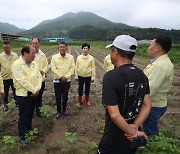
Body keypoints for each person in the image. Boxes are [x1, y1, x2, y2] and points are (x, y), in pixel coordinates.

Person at [98, 35, 152, 154]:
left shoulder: (110, 77)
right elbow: (147, 104)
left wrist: (133, 132)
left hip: (114, 137)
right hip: (131, 139)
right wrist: (135, 126)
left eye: (111, 50)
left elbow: (115, 116)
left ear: (115, 52)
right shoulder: (142, 75)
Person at [143, 36, 174, 137]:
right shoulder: (160, 62)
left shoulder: (160, 66)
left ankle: (153, 148)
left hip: (153, 105)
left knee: (150, 131)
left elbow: (151, 89)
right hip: (155, 103)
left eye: (150, 46)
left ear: (157, 48)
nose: (148, 48)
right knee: (149, 128)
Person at [11, 45, 42, 145]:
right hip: (23, 95)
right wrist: (34, 90)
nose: (34, 55)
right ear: (25, 53)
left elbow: (39, 76)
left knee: (30, 114)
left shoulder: (34, 63)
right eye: (33, 53)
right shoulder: (16, 65)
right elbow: (22, 81)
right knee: (24, 116)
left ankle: (29, 131)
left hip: (34, 94)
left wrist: (37, 89)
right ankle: (23, 136)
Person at [51, 42, 75, 119]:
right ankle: (58, 111)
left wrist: (66, 77)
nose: (62, 48)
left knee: (65, 96)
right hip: (57, 80)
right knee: (57, 96)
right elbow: (53, 68)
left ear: (66, 48)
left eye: (63, 47)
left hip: (67, 81)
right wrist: (61, 77)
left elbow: (72, 68)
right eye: (60, 47)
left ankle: (64, 110)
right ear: (58, 48)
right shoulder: (54, 57)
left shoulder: (70, 57)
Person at [75, 43, 95, 108]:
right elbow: (76, 67)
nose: (85, 50)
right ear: (82, 49)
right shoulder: (79, 57)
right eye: (84, 48)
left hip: (88, 76)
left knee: (87, 89)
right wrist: (76, 76)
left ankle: (87, 101)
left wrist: (93, 77)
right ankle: (79, 101)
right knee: (80, 89)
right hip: (80, 75)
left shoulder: (91, 58)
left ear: (88, 49)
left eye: (86, 48)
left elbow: (93, 68)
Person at [32, 38, 48, 117]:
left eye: (36, 43)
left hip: (41, 79)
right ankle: (31, 111)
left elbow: (46, 65)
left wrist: (43, 70)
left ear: (39, 44)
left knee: (39, 96)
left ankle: (38, 111)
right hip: (32, 80)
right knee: (32, 96)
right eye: (33, 43)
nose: (34, 45)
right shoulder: (29, 54)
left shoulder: (43, 55)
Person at [0, 41, 18, 111]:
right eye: (4, 48)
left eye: (7, 47)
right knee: (5, 92)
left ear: (10, 47)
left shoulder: (15, 55)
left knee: (15, 91)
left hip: (14, 77)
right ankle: (6, 105)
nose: (5, 49)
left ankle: (17, 103)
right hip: (5, 78)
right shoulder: (0, 56)